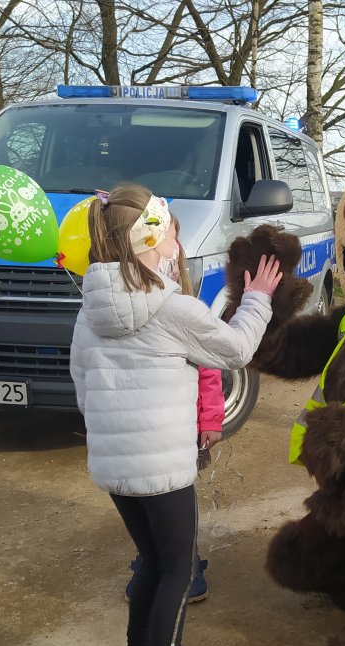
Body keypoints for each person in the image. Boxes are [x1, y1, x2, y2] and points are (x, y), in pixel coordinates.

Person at [69, 183, 282, 646]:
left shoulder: (91, 307)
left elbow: (80, 382)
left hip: (116, 465)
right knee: (177, 571)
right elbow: (235, 349)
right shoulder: (169, 307)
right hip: (163, 464)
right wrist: (257, 298)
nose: (178, 247)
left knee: (154, 563)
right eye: (173, 235)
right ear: (158, 240)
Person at [124, 217, 225, 603]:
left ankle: (187, 565)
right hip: (144, 429)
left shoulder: (186, 307)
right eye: (169, 236)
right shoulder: (121, 310)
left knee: (178, 503)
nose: (175, 245)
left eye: (176, 237)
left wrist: (210, 418)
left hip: (183, 429)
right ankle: (154, 562)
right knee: (147, 502)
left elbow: (209, 370)